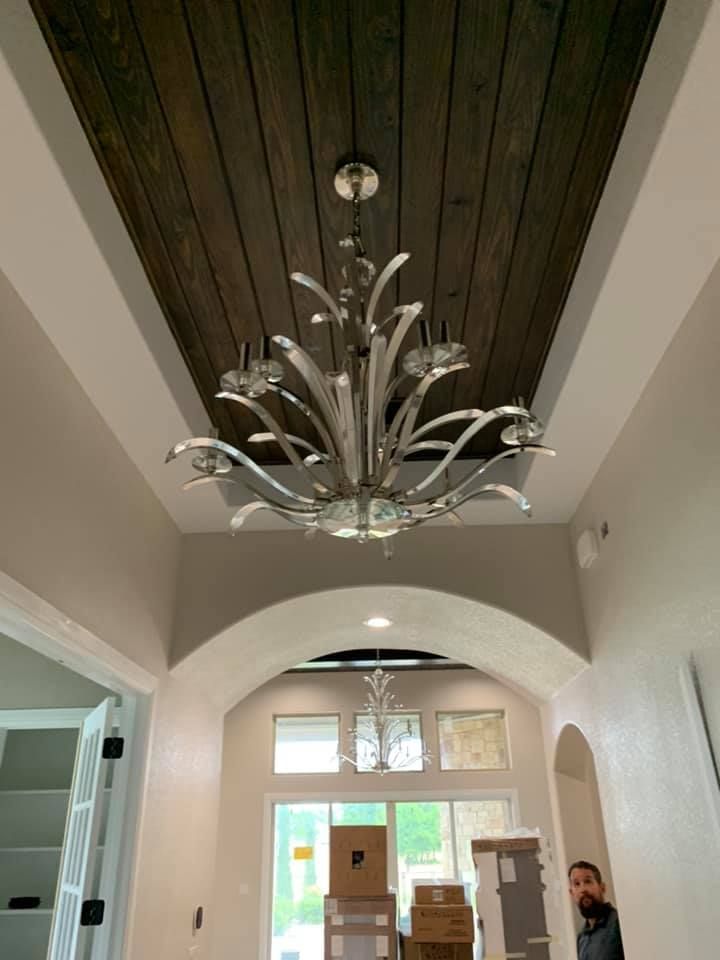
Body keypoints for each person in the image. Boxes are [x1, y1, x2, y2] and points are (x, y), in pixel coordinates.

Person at [568, 860, 624, 960]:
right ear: (572, 893)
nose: (583, 889)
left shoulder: (619, 923)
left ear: (602, 888)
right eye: (577, 884)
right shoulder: (581, 938)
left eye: (588, 881)